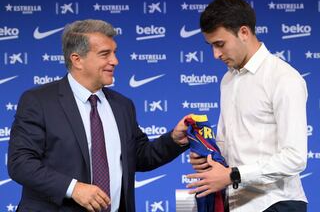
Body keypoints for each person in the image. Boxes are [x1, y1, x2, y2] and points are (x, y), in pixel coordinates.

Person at [8, 19, 189, 212]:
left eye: (114, 52)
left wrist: (174, 140)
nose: (115, 61)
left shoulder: (122, 105)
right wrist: (73, 188)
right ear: (77, 59)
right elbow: (21, 163)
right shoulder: (39, 101)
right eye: (105, 54)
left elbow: (139, 157)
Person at [186, 0, 308, 212]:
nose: (215, 54)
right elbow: (227, 145)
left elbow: (295, 158)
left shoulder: (284, 78)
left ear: (244, 32)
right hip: (235, 204)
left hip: (276, 203)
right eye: (211, 46)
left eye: (220, 44)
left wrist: (233, 175)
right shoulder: (227, 80)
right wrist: (209, 159)